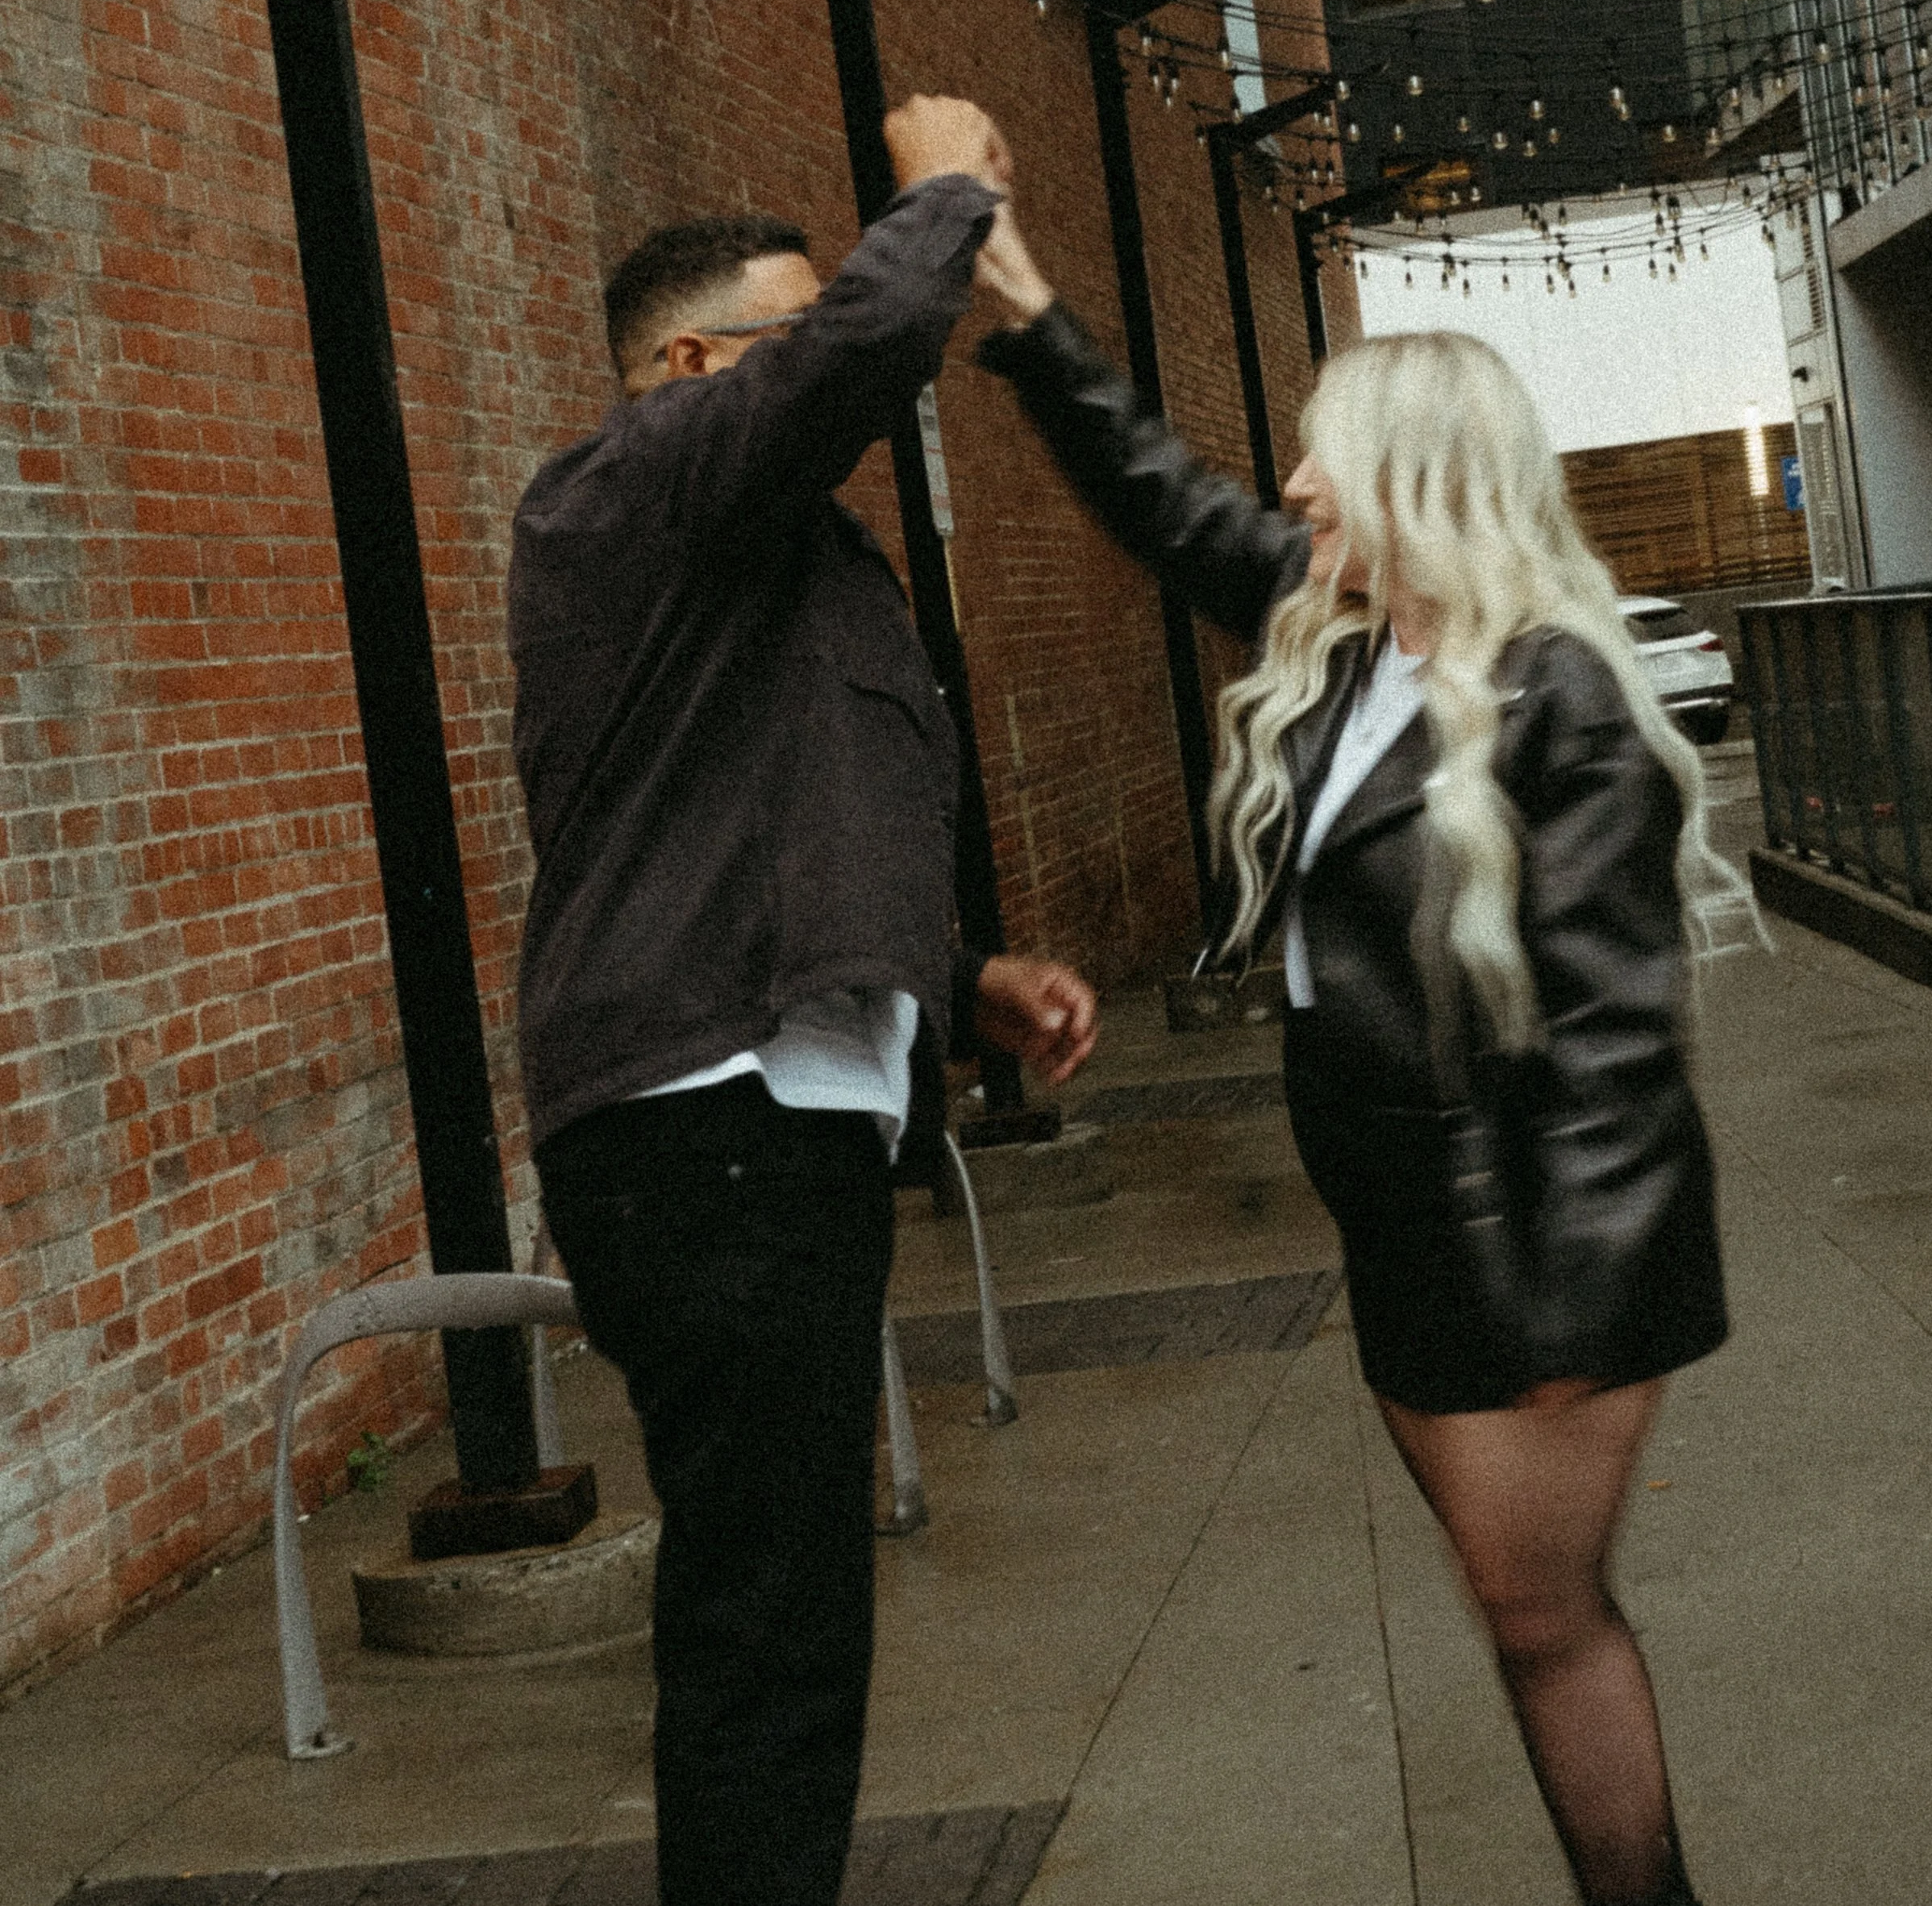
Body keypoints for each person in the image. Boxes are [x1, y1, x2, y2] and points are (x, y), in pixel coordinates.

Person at [972, 203, 1733, 1906]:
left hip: (1528, 1246)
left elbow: (1622, 1055)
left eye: (1326, 468)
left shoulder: (1558, 702)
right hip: (1403, 1233)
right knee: (1516, 1619)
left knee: (1544, 1621)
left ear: (1423, 481)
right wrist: (1021, 306)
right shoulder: (1345, 650)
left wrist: (1567, 1314)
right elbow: (1155, 496)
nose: (1295, 496)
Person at [510, 97, 1097, 1906]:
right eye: (791, 326)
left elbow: (769, 835)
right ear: (685, 365)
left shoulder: (767, 559)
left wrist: (953, 980)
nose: (849, 373)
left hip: (772, 1130)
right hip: (712, 1136)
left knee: (778, 1617)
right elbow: (845, 360)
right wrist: (938, 196)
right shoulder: (629, 490)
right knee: (770, 1632)